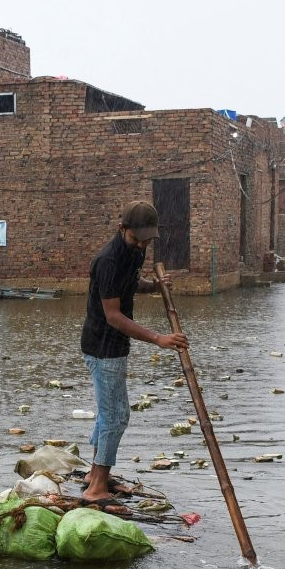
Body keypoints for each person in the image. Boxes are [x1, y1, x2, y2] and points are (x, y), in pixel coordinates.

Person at [80, 201, 189, 503]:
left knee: (108, 412)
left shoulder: (135, 250)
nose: (142, 244)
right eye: (136, 238)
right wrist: (158, 338)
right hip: (103, 348)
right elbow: (113, 316)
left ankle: (95, 474)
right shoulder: (108, 260)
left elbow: (128, 283)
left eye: (147, 239)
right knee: (117, 416)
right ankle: (96, 489)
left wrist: (153, 285)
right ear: (122, 229)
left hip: (114, 346)